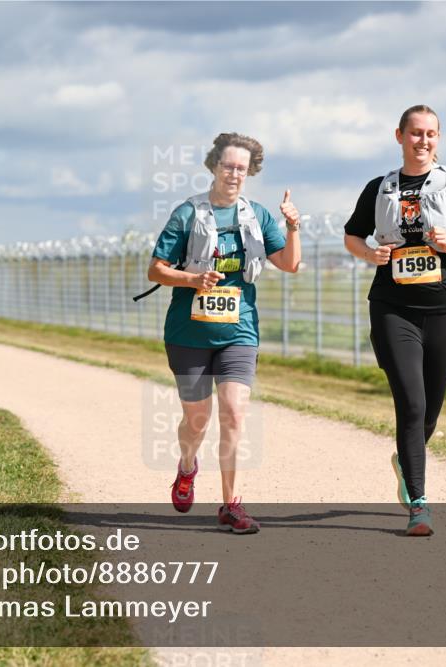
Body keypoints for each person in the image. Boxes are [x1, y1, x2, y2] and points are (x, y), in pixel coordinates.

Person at [343, 104, 446, 536]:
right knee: (411, 403)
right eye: (415, 134)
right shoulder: (379, 187)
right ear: (399, 136)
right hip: (393, 308)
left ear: (438, 139)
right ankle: (420, 505)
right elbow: (352, 234)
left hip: (445, 306)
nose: (423, 141)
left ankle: (405, 460)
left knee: (431, 406)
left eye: (431, 134)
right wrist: (369, 253)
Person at [146, 132, 301, 534]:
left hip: (239, 331)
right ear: (214, 166)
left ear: (251, 172)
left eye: (242, 168)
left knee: (234, 414)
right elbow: (156, 270)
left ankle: (232, 504)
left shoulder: (258, 215)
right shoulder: (187, 213)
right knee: (197, 421)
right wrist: (193, 278)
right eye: (228, 165)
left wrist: (293, 226)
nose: (235, 173)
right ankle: (186, 467)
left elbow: (288, 263)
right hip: (188, 332)